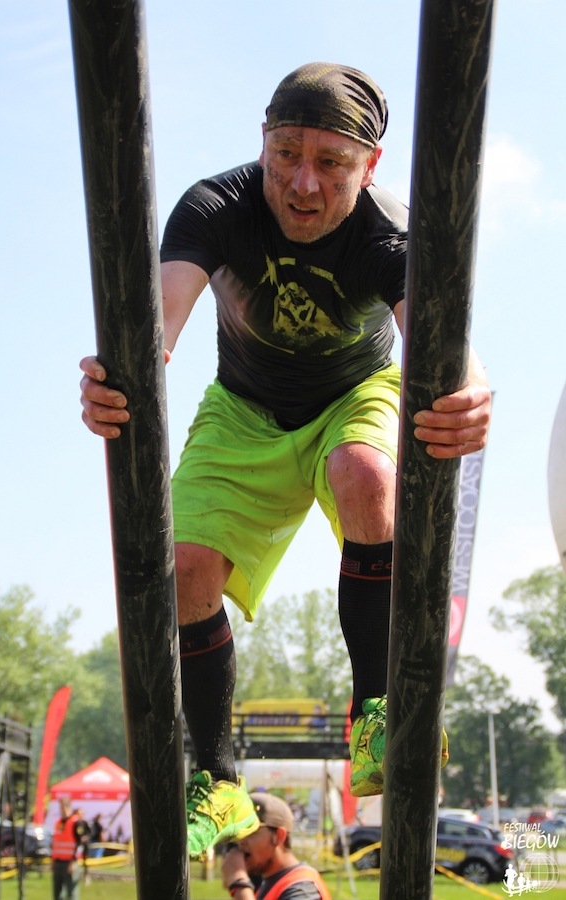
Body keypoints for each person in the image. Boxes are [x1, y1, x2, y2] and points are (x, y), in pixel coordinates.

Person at [80, 62, 491, 858]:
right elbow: (156, 322)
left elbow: (444, 346)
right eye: (286, 154)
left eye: (331, 162)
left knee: (366, 473)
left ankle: (376, 712)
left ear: (369, 165)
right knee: (183, 565)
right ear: (263, 142)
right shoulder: (216, 205)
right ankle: (218, 778)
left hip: (355, 393)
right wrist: (117, 374)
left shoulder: (390, 231)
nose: (303, 183)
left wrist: (471, 391)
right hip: (243, 407)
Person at [222, 793, 331, 900]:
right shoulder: (269, 882)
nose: (240, 841)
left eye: (250, 832)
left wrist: (239, 884)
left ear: (279, 836)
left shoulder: (302, 888)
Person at [51, 799, 88, 900]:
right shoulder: (59, 822)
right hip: (58, 861)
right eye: (61, 807)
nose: (62, 810)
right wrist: (53, 859)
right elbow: (56, 843)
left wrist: (74, 861)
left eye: (64, 807)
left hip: (69, 862)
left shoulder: (76, 822)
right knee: (57, 893)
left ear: (69, 807)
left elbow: (80, 844)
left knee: (71, 892)